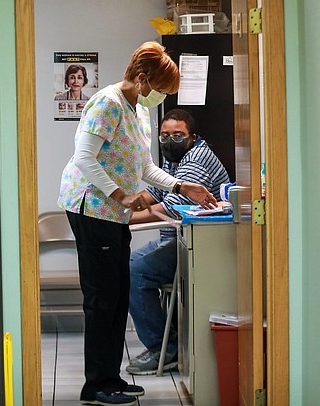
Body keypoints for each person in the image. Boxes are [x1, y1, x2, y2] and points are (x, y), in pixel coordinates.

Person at [57, 41, 218, 406]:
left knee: (117, 294)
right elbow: (84, 157)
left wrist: (181, 186)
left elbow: (144, 167)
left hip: (113, 213)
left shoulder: (138, 111)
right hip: (92, 209)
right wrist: (121, 196)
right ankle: (96, 385)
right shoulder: (108, 102)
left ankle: (111, 377)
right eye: (160, 90)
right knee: (102, 298)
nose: (160, 97)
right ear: (143, 79)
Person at [125, 109, 230, 375]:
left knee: (135, 272)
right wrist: (122, 205)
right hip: (179, 240)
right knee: (130, 263)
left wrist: (122, 220)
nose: (169, 141)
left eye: (177, 135)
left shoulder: (197, 159)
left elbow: (170, 205)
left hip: (201, 245)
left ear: (192, 137)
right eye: (164, 136)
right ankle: (165, 339)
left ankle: (164, 348)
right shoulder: (176, 158)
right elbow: (155, 191)